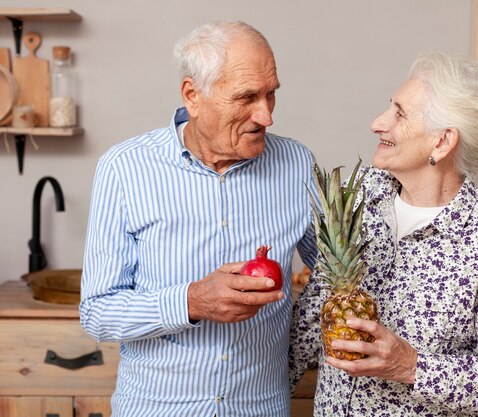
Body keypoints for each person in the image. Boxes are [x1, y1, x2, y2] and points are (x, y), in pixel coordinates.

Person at [80, 21, 317, 416]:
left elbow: (337, 272)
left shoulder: (297, 165)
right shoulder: (124, 168)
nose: (266, 116)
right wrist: (192, 301)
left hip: (259, 408)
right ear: (193, 95)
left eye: (271, 95)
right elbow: (98, 314)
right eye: (246, 98)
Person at [290, 51, 478, 416]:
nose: (378, 123)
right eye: (388, 107)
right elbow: (313, 314)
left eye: (400, 114)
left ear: (442, 142)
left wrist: (411, 365)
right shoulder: (360, 193)